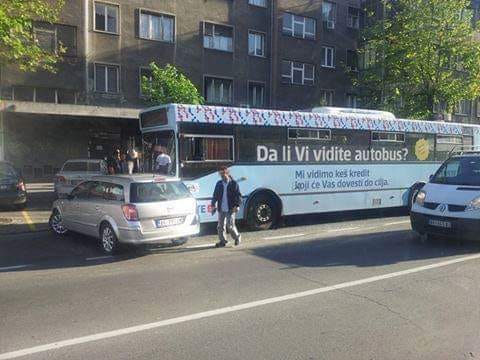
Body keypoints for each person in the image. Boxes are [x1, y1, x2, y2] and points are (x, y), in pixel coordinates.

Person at [210, 166, 242, 247]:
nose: (223, 175)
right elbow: (215, 196)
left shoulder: (233, 183)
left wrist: (237, 205)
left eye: (224, 173)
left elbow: (238, 196)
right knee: (220, 226)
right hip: (221, 208)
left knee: (230, 226)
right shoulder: (219, 184)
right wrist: (213, 205)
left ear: (227, 173)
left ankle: (237, 237)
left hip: (231, 208)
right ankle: (223, 241)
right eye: (221, 174)